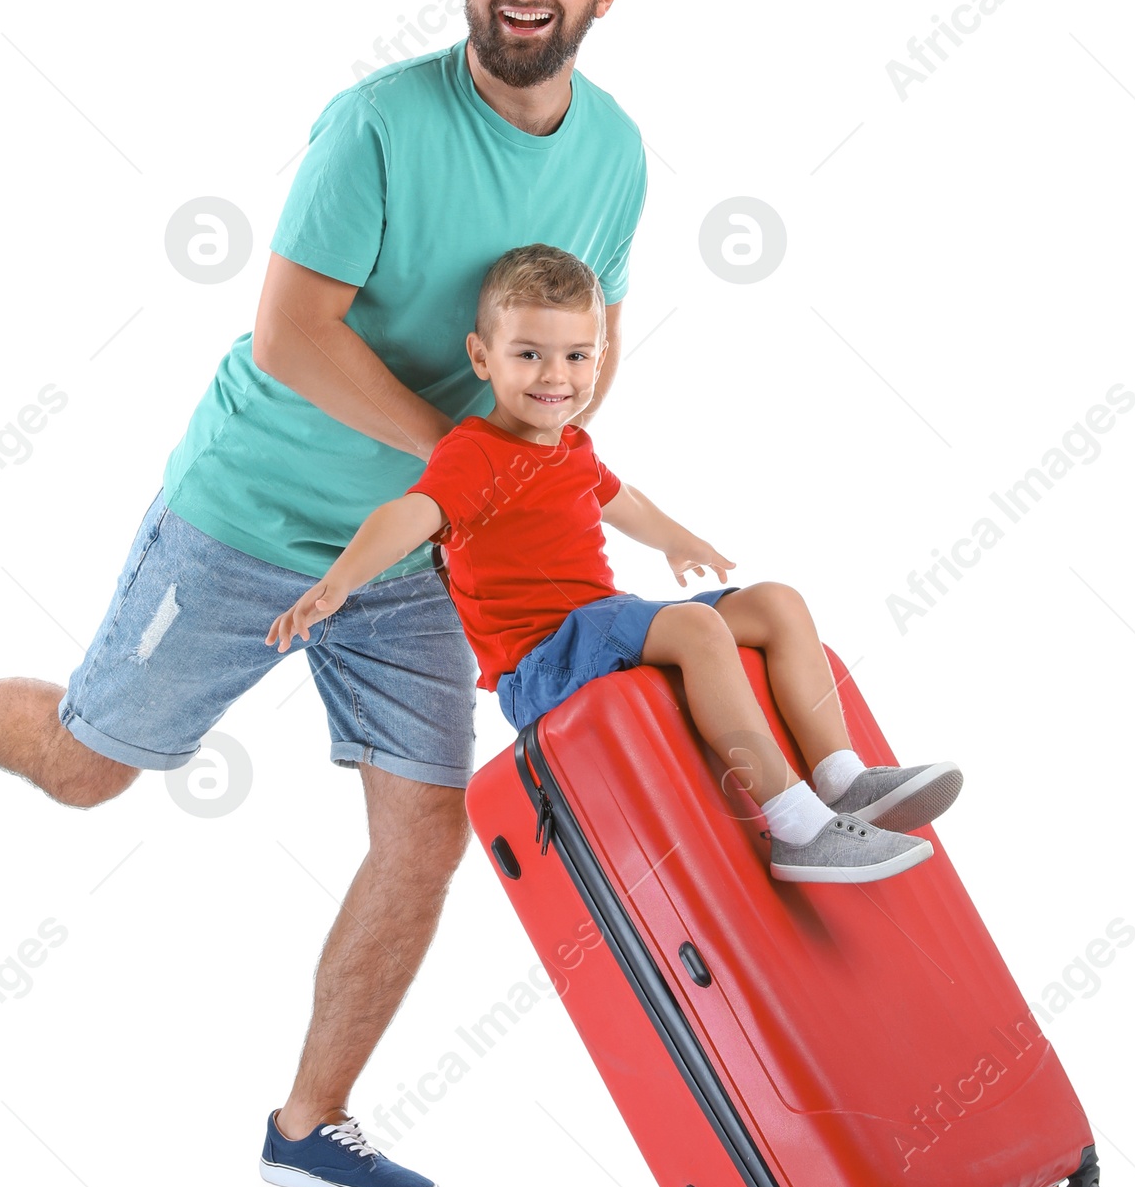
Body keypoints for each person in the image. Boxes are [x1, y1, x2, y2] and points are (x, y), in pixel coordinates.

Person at [0, 0, 649, 1187]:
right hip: (253, 515)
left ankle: (307, 1124)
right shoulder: (378, 124)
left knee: (425, 834)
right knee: (89, 771)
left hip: (416, 558)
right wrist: (462, 461)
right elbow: (292, 336)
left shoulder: (615, 151)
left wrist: (523, 478)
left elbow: (588, 332)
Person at [269, 245, 963, 883]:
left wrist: (677, 539)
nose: (555, 376)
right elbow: (411, 514)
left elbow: (619, 500)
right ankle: (797, 825)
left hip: (601, 625)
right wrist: (340, 580)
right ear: (482, 356)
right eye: (530, 354)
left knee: (777, 601)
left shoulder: (571, 444)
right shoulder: (473, 453)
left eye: (576, 356)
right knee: (696, 631)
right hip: (541, 661)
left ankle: (842, 779)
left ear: (598, 361)